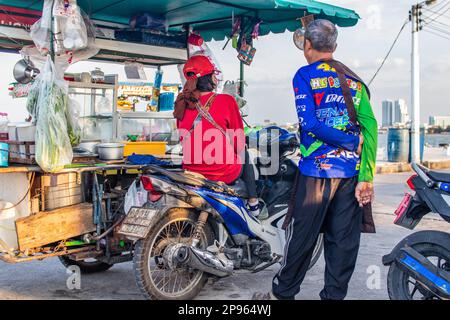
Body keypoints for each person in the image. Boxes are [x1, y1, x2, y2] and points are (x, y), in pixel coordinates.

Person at [253, 19, 378, 300]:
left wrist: (347, 141)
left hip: (316, 173)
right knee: (343, 243)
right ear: (334, 46)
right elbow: (370, 130)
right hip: (350, 175)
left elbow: (308, 123)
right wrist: (366, 176)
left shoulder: (304, 75)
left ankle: (281, 295)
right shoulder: (354, 79)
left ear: (307, 45)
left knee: (301, 240)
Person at [174, 55, 260, 216]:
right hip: (221, 172)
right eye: (213, 74)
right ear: (208, 77)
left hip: (191, 172)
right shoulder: (226, 101)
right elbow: (238, 142)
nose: (216, 77)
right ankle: (253, 204)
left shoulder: (182, 103)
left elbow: (183, 138)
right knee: (244, 152)